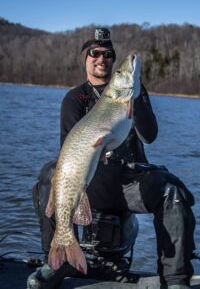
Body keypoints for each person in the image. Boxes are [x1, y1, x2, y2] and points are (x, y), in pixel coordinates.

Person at [27, 28, 196, 289]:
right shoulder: (74, 99)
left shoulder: (134, 92)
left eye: (108, 54)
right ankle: (58, 259)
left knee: (172, 191)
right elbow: (69, 154)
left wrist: (136, 97)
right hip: (94, 185)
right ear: (85, 58)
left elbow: (149, 136)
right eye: (94, 53)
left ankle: (175, 279)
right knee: (50, 175)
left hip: (132, 183)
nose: (101, 58)